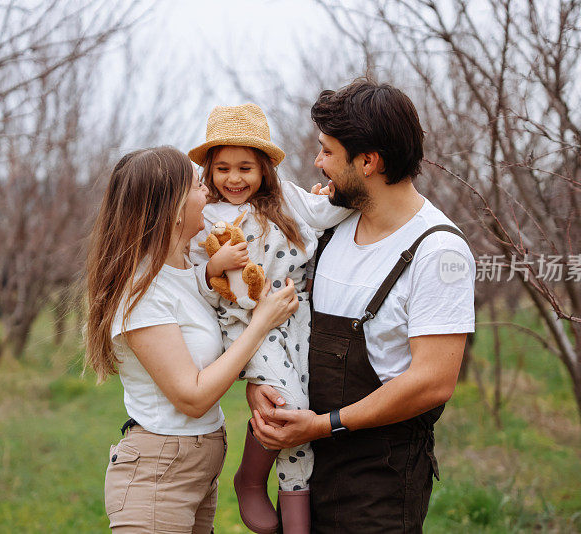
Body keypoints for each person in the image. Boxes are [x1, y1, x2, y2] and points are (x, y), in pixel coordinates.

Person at [247, 78, 476, 533]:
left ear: (368, 161)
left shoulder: (438, 252)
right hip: (307, 469)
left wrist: (320, 425)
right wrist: (260, 388)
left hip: (379, 484)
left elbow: (432, 381)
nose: (318, 163)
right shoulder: (328, 228)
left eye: (328, 152)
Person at [85, 146, 299, 533]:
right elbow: (192, 397)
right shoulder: (142, 292)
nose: (209, 194)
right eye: (200, 186)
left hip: (195, 469)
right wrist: (261, 324)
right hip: (158, 474)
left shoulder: (186, 270)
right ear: (173, 207)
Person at [188, 104, 353, 534]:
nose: (234, 179)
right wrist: (213, 267)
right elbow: (190, 281)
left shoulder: (289, 200)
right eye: (222, 168)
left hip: (297, 320)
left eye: (245, 167)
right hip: (247, 328)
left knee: (303, 415)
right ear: (209, 169)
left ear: (264, 168)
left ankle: (295, 520)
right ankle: (250, 480)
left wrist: (333, 193)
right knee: (288, 406)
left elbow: (332, 213)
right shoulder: (202, 214)